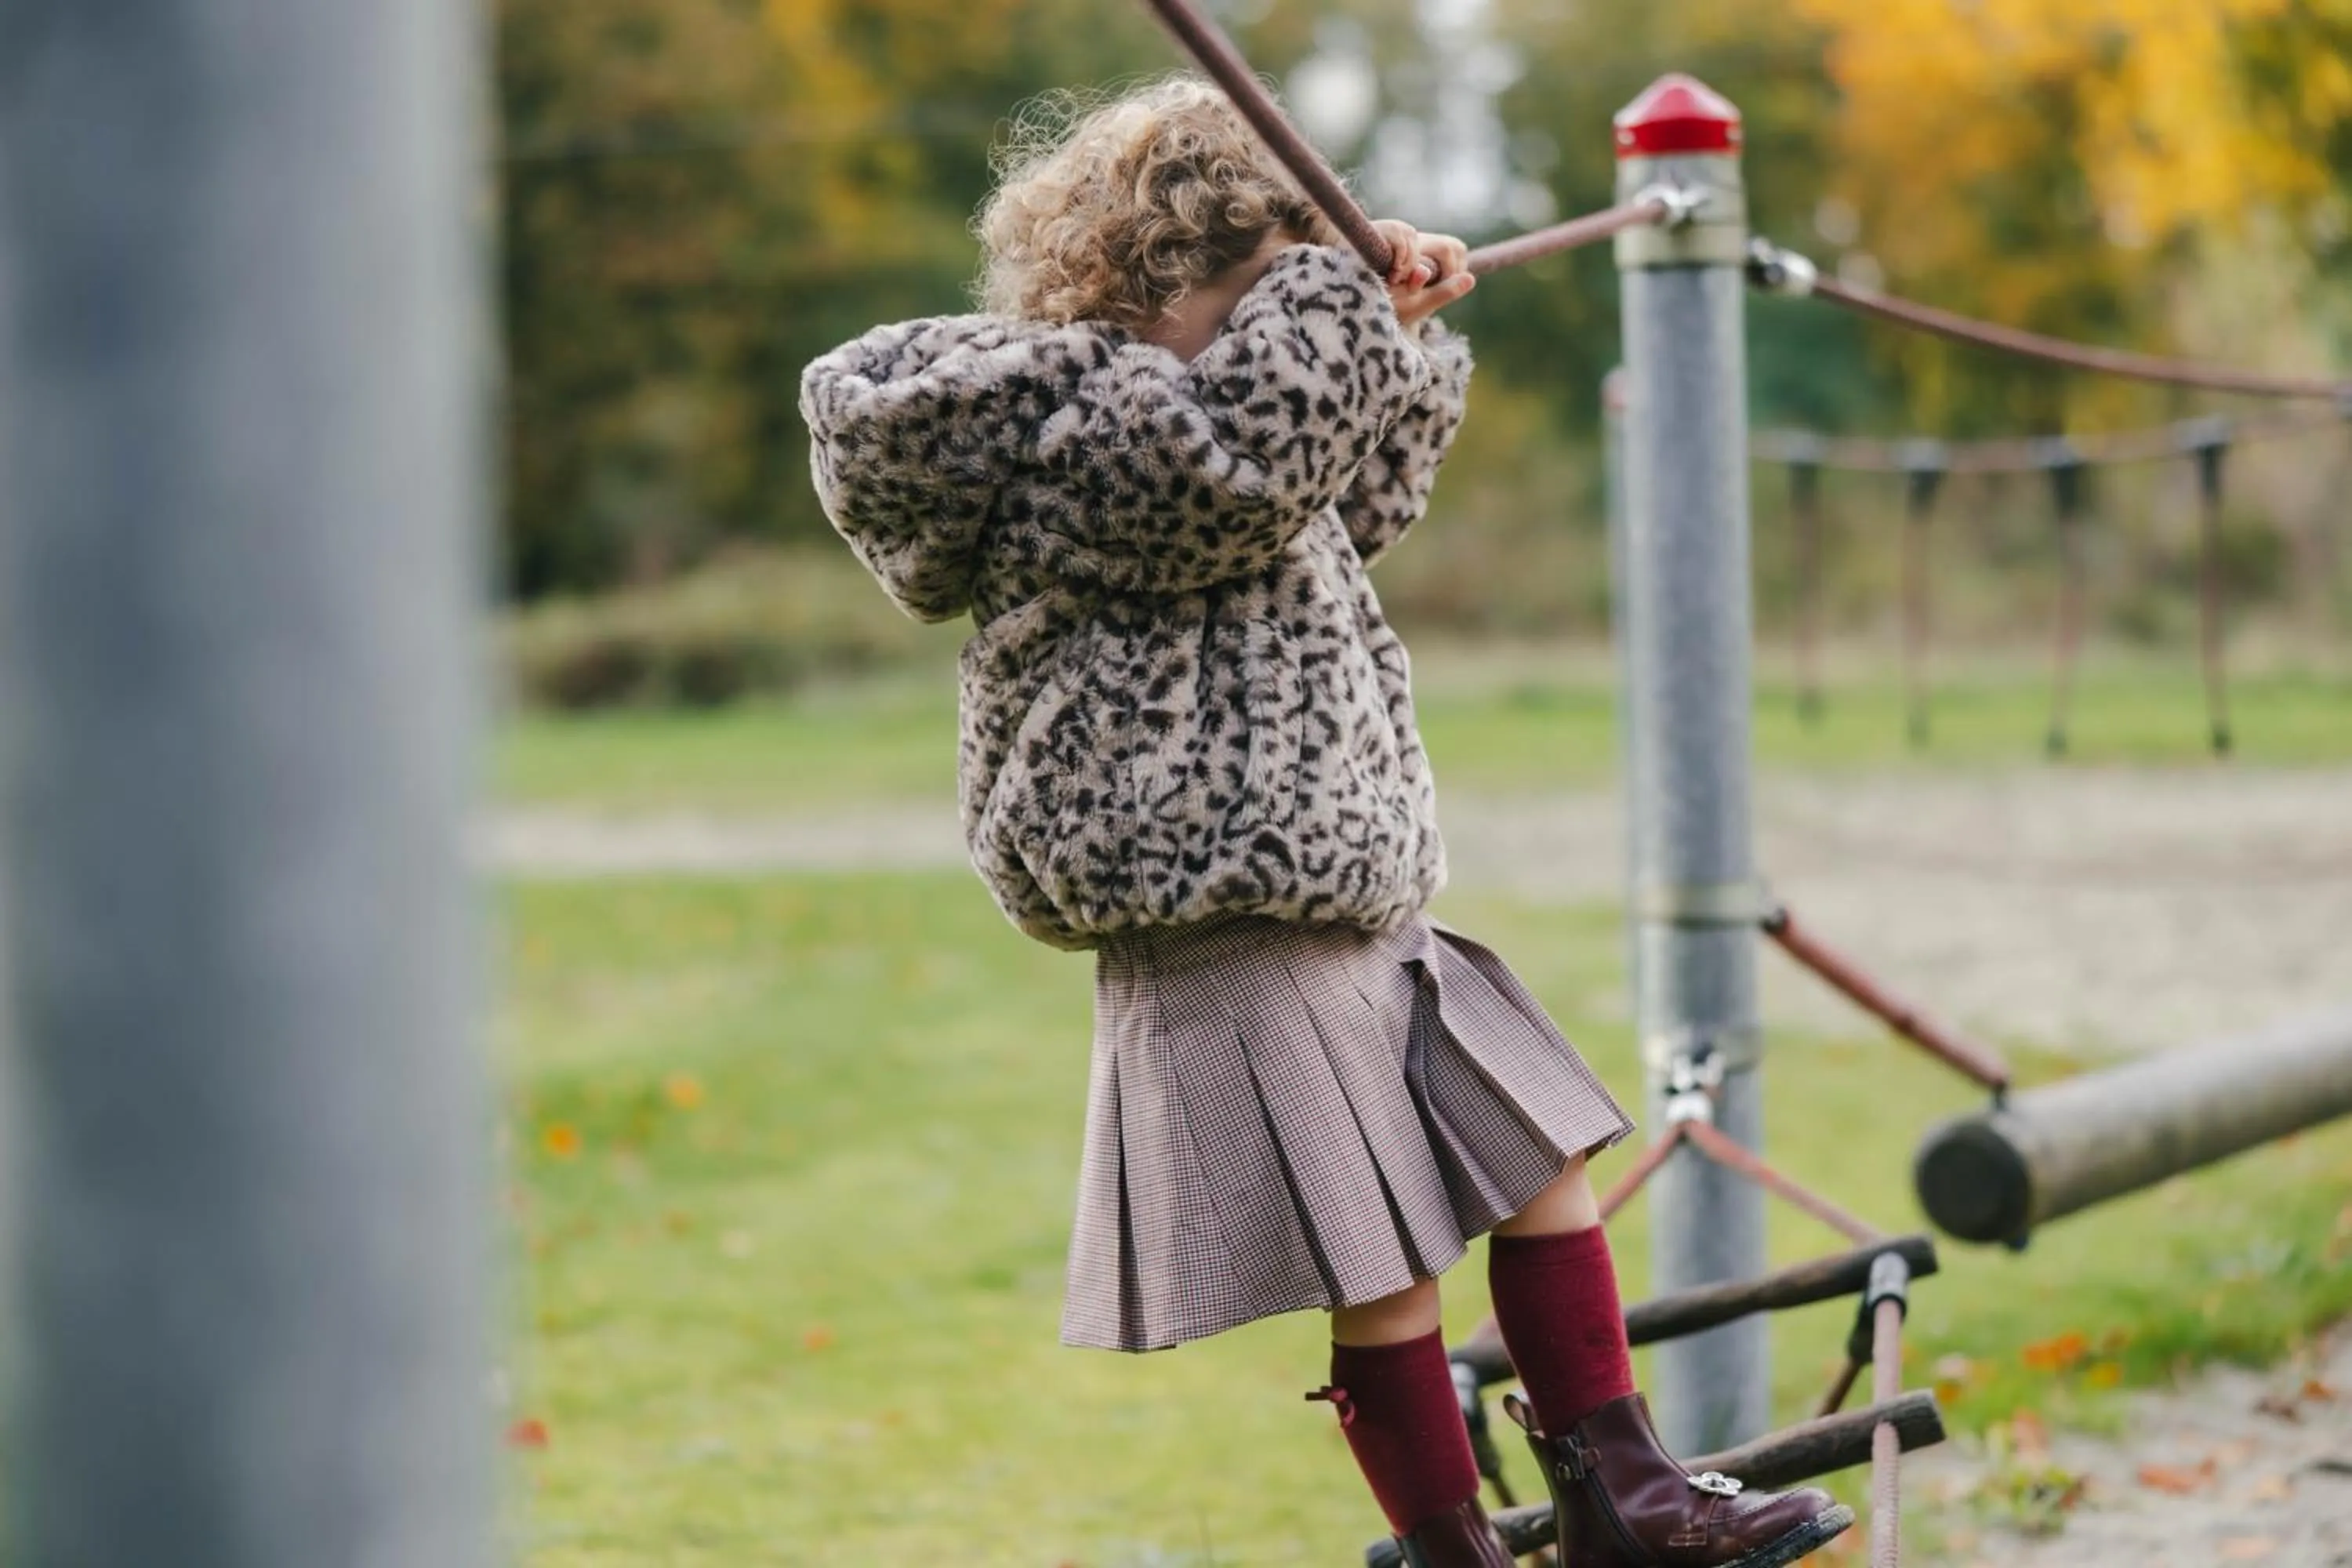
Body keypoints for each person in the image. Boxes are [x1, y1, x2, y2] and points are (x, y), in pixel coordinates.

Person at [800, 74, 1853, 1568]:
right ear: (1152, 283)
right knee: (1389, 1264)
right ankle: (1449, 1545)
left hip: (1349, 898)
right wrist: (1328, 309)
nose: (1280, 327)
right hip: (1220, 911)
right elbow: (1234, 462)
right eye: (1255, 292)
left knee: (1540, 1160)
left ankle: (1624, 1497)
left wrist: (1386, 333)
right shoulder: (1088, 427)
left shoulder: (1227, 413)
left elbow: (1347, 492)